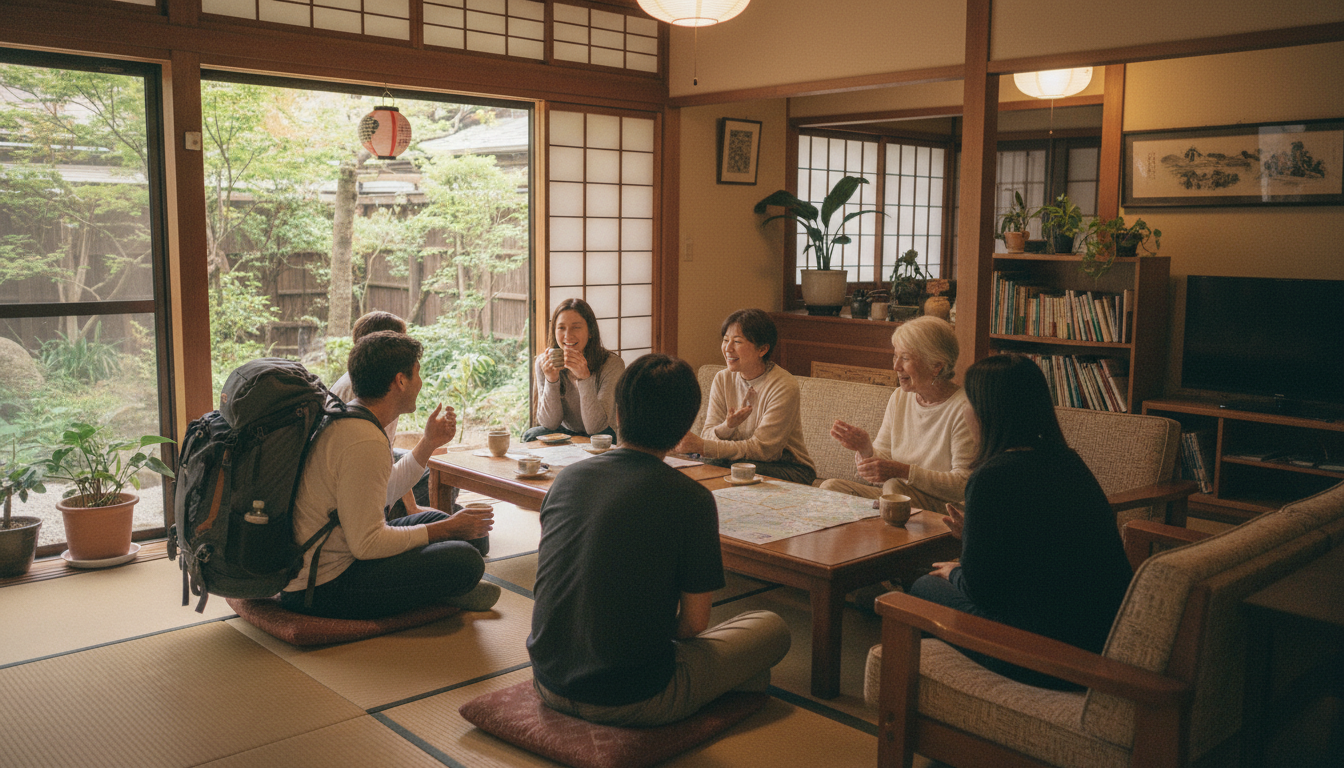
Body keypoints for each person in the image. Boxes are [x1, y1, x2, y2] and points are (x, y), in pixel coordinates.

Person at [528, 353, 791, 726]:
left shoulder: (569, 478)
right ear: (684, 427)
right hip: (634, 698)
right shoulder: (691, 499)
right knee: (771, 630)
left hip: (547, 680)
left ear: (619, 414)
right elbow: (695, 623)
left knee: (746, 671)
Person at [909, 353, 1133, 689]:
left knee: (924, 586)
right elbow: (1043, 547)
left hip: (1044, 654)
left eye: (969, 401)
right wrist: (973, 533)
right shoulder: (1068, 461)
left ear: (988, 411)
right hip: (1099, 639)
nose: (965, 410)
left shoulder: (991, 477)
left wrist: (955, 571)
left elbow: (981, 590)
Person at [281, 331, 499, 619]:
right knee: (466, 561)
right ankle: (450, 587)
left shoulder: (351, 419)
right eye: (417, 374)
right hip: (323, 584)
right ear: (400, 380)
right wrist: (447, 531)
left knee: (449, 525)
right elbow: (367, 544)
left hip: (336, 556)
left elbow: (383, 491)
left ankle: (446, 586)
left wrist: (429, 443)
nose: (420, 383)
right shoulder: (363, 440)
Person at [820, 315, 974, 512]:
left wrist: (903, 471)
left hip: (943, 508)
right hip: (897, 499)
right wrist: (866, 449)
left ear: (936, 366)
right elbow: (881, 470)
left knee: (894, 487)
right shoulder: (900, 397)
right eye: (895, 356)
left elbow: (962, 486)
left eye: (906, 358)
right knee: (830, 488)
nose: (896, 367)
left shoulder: (964, 408)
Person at [328, 310, 450, 518]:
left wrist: (429, 441)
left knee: (440, 473)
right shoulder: (374, 393)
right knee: (443, 497)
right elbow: (367, 541)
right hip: (356, 501)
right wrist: (412, 509)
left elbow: (387, 455)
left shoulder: (360, 380)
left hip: (363, 481)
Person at [674, 308, 816, 486]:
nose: (728, 348)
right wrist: (727, 427)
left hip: (788, 467)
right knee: (696, 463)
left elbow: (764, 450)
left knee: (724, 464)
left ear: (762, 349)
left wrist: (704, 447)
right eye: (725, 340)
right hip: (736, 461)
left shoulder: (783, 385)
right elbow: (708, 433)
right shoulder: (722, 379)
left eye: (737, 341)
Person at [524, 298, 625, 442]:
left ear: (590, 332)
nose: (567, 335)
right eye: (561, 328)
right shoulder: (544, 362)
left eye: (576, 327)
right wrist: (551, 380)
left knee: (603, 437)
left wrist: (584, 378)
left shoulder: (612, 364)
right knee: (532, 435)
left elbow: (596, 427)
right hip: (565, 431)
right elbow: (549, 424)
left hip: (601, 432)